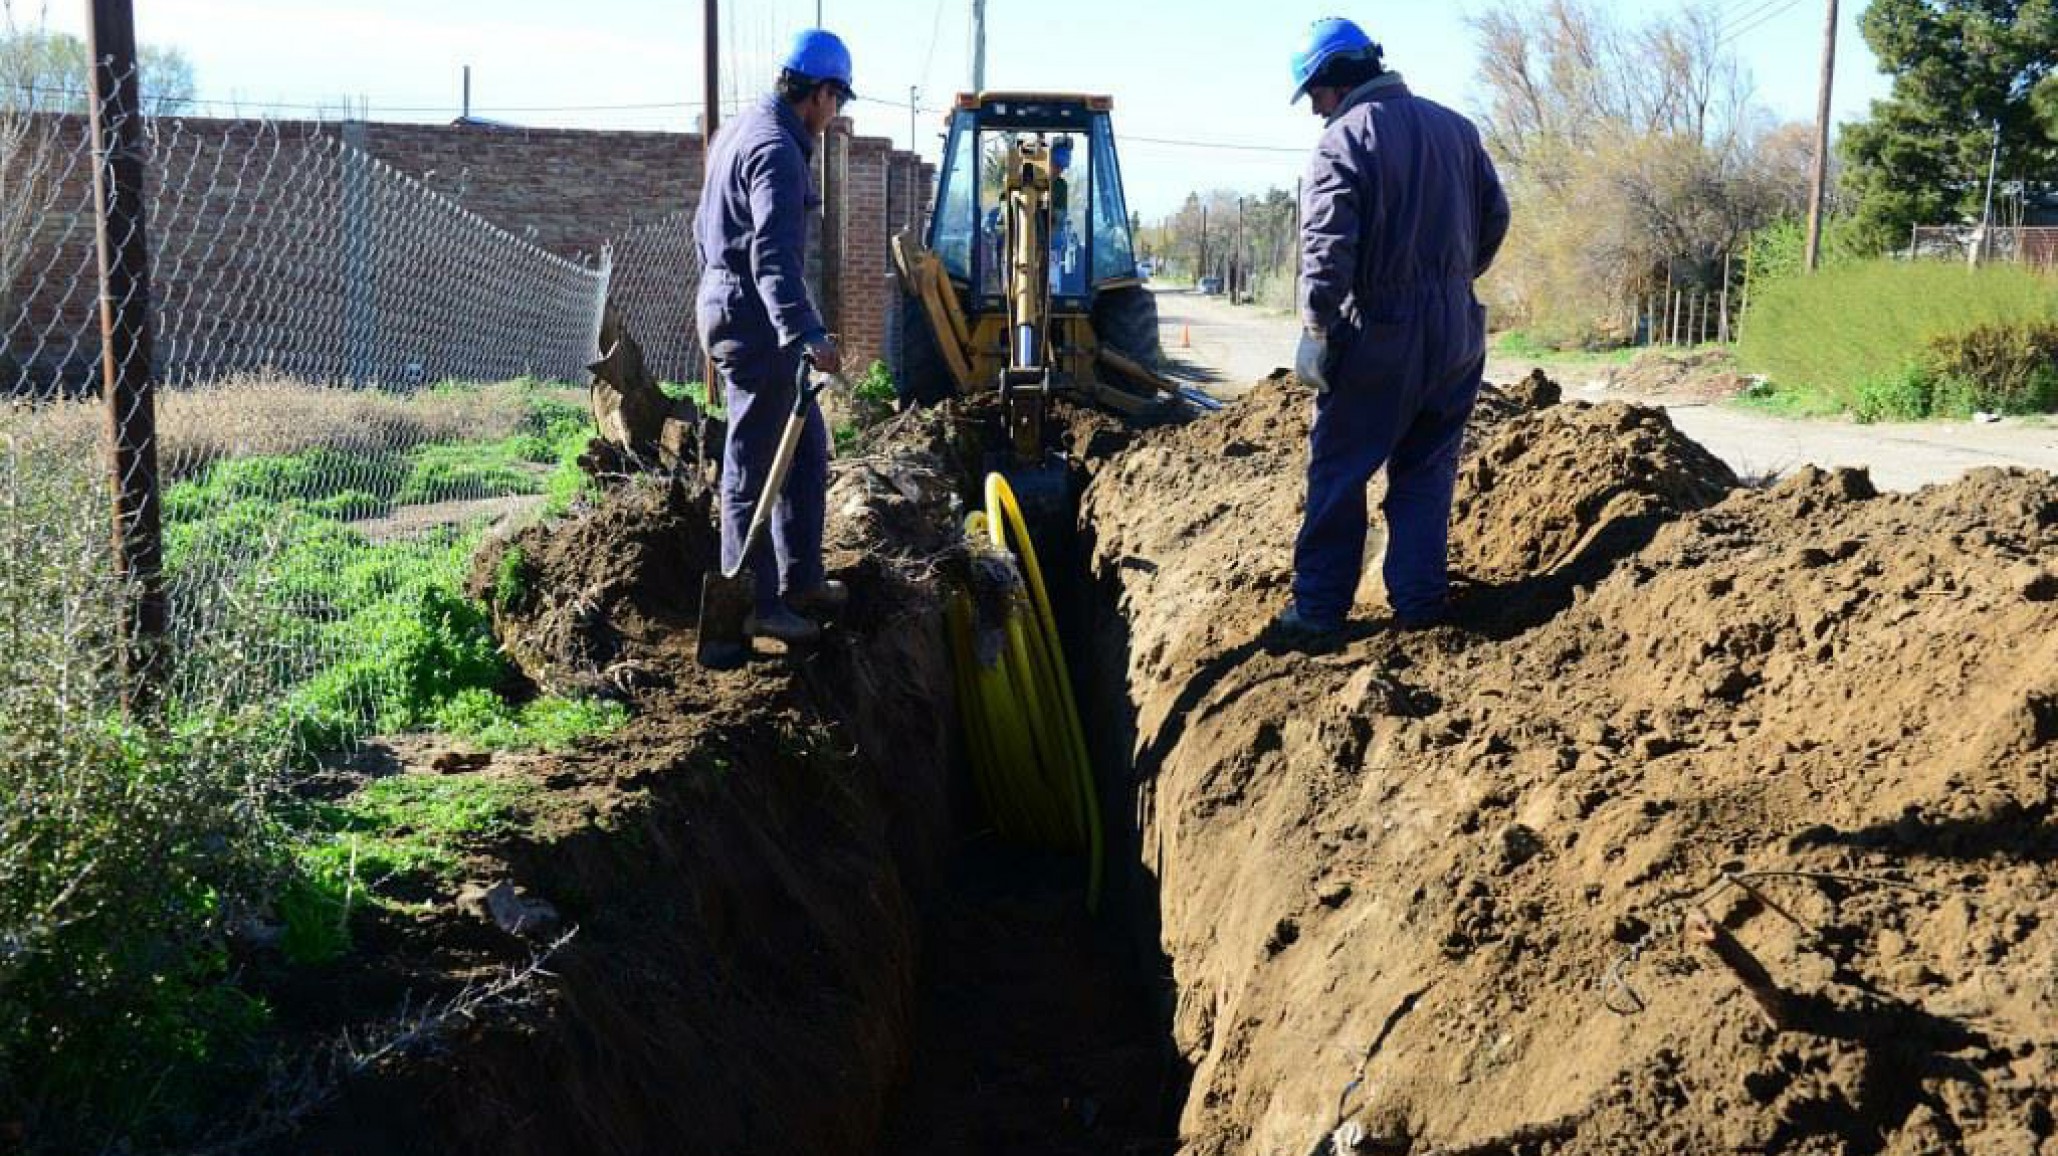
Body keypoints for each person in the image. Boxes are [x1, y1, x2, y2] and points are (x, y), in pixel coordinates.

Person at [1273, 16, 1510, 646]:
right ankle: (1421, 604)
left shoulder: (1344, 139)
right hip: (1458, 329)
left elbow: (1326, 247)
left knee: (1339, 472)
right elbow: (1495, 218)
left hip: (1382, 327)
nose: (1314, 111)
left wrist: (1317, 328)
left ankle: (1319, 612)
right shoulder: (1457, 130)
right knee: (1427, 470)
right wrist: (1452, 279)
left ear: (1335, 78)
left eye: (1314, 95)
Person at [694, 29, 855, 646]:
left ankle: (802, 579)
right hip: (755, 320)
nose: (833, 115)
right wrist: (806, 331)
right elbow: (771, 256)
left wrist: (717, 293)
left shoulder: (736, 131)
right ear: (819, 93)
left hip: (737, 306)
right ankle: (757, 605)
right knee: (754, 462)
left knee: (807, 449)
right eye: (836, 100)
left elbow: (703, 229)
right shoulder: (777, 150)